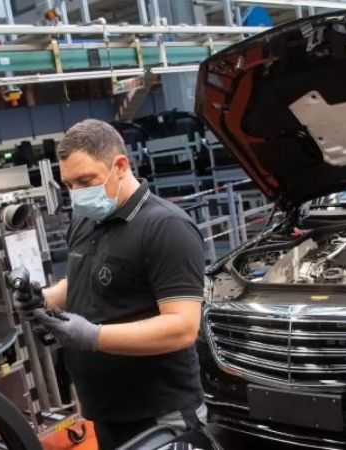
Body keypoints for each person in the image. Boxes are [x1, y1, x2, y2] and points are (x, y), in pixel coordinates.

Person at [14, 119, 206, 450]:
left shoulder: (166, 228)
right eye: (69, 185)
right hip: (106, 412)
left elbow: (183, 327)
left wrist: (92, 336)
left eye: (85, 181)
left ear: (120, 165)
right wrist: (41, 298)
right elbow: (79, 281)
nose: (77, 194)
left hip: (160, 414)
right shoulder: (85, 220)